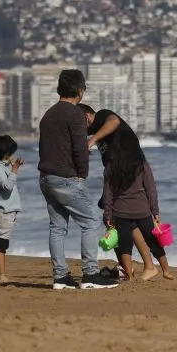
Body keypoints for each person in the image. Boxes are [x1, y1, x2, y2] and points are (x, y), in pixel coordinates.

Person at [37, 70, 117, 291]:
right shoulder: (74, 115)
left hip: (45, 177)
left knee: (57, 227)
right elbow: (80, 150)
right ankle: (90, 273)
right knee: (90, 221)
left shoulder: (48, 114)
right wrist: (82, 175)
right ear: (79, 90)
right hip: (66, 178)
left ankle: (60, 277)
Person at [78, 104, 156, 279]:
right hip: (119, 175)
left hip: (131, 169)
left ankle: (145, 265)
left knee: (120, 217)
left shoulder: (102, 117)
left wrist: (92, 140)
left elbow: (114, 121)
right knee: (124, 220)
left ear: (87, 116)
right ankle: (131, 266)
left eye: (79, 121)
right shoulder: (96, 130)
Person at [101, 132, 174, 281]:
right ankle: (166, 270)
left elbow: (107, 193)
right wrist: (155, 211)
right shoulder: (142, 164)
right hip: (142, 211)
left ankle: (129, 275)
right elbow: (150, 189)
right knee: (153, 241)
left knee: (124, 244)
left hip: (120, 212)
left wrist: (107, 214)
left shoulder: (111, 166)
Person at [0, 134, 23, 284]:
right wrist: (14, 171)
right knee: (1, 245)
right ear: (6, 155)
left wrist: (14, 167)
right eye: (11, 154)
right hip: (3, 211)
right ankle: (1, 276)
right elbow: (7, 187)